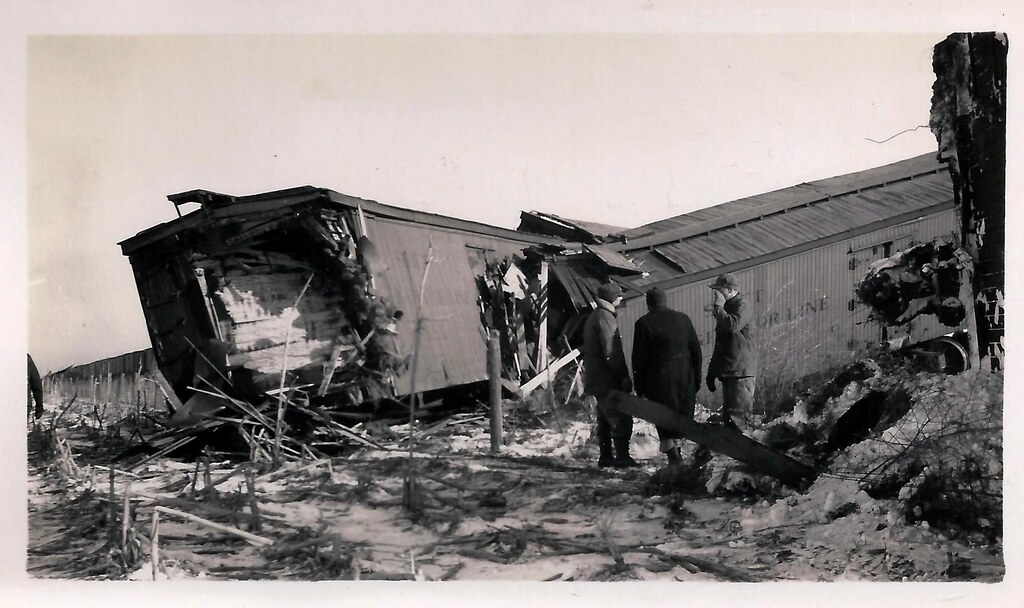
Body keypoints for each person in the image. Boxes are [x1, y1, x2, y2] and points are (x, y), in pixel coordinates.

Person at [632, 287, 702, 465]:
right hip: (685, 376)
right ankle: (677, 453)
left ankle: (673, 457)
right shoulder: (682, 318)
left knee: (664, 419)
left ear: (649, 303)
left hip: (659, 380)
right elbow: (696, 351)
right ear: (664, 299)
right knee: (682, 418)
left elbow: (638, 359)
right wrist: (697, 378)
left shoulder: (643, 323)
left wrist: (639, 387)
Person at [582, 282, 637, 468]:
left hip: (596, 378)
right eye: (618, 295)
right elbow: (611, 351)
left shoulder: (595, 316)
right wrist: (623, 376)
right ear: (611, 298)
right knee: (620, 417)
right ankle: (622, 457)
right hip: (607, 379)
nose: (621, 298)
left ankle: (606, 456)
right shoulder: (605, 318)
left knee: (604, 418)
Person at [705, 273, 757, 431]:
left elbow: (733, 326)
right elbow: (721, 344)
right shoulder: (727, 309)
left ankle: (745, 454)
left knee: (738, 421)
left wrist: (719, 308)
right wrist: (712, 372)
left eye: (718, 290)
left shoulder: (743, 305)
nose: (716, 294)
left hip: (741, 372)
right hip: (730, 371)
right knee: (729, 420)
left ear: (729, 290)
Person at [27, 354, 44, 421]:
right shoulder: (26, 359)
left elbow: (36, 383)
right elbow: (36, 384)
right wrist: (39, 406)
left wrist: (39, 406)